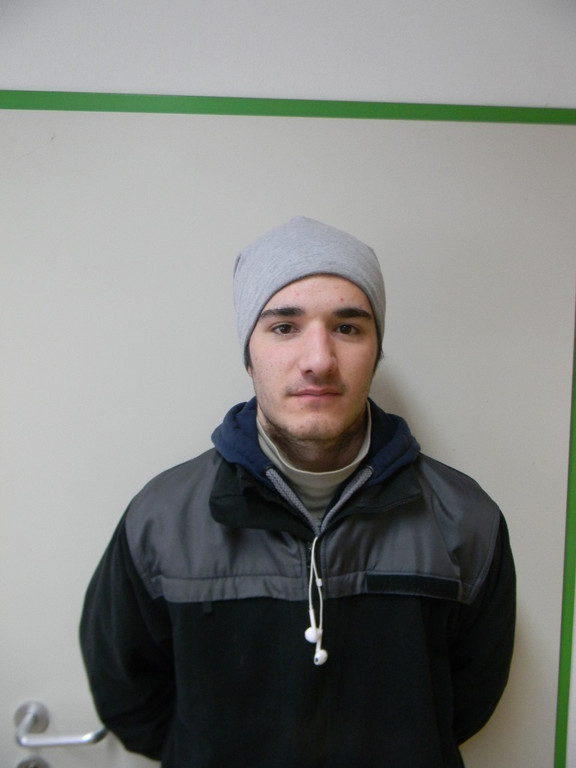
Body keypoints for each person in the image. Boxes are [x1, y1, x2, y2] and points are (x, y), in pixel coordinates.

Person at [80, 216, 515, 768]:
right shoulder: (160, 521)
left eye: (347, 328)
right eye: (284, 327)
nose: (319, 360)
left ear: (376, 349)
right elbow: (128, 695)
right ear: (248, 351)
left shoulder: (466, 521)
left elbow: (464, 702)